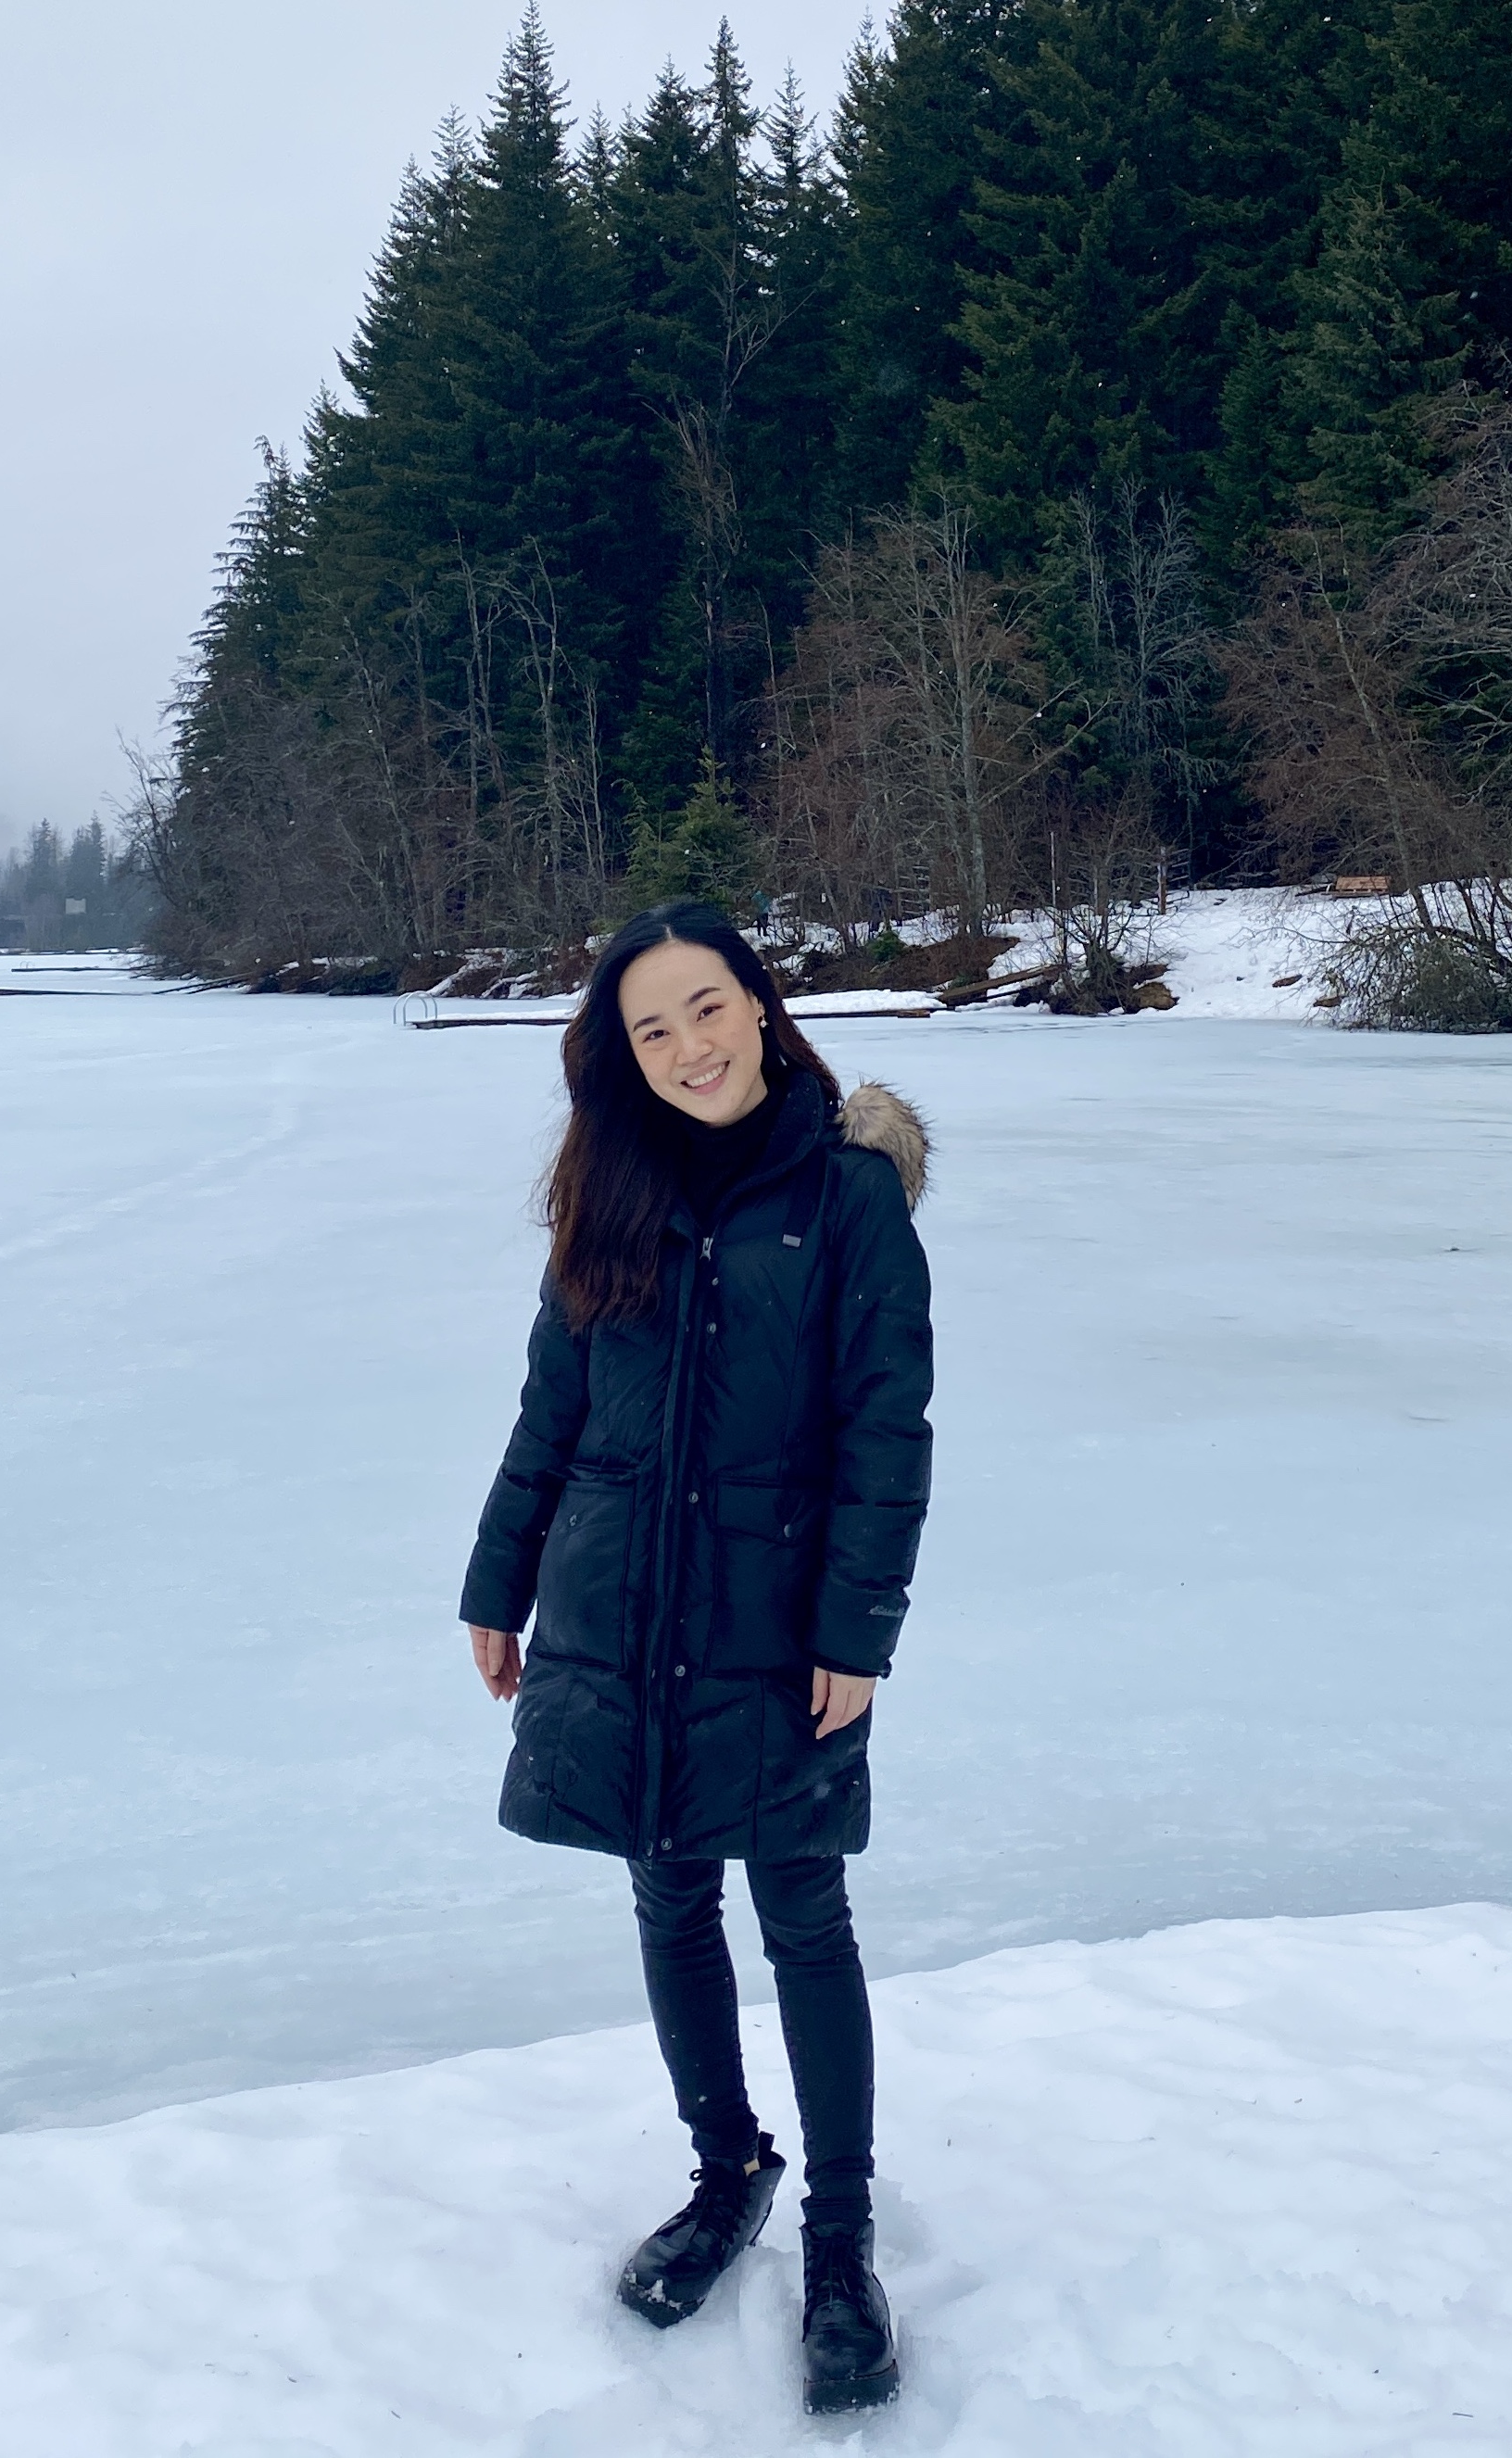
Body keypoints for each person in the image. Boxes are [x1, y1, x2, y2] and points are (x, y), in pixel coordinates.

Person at [462, 900, 934, 2415]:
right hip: (618, 1611)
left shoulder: (849, 1194)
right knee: (668, 1890)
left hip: (781, 1624)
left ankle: (842, 2237)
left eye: (707, 1008)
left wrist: (857, 1631)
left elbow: (886, 1432)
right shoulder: (609, 1191)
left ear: (762, 1006)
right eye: (650, 1028)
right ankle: (724, 2164)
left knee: (802, 1906)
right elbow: (551, 1412)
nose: (687, 1048)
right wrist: (500, 1581)